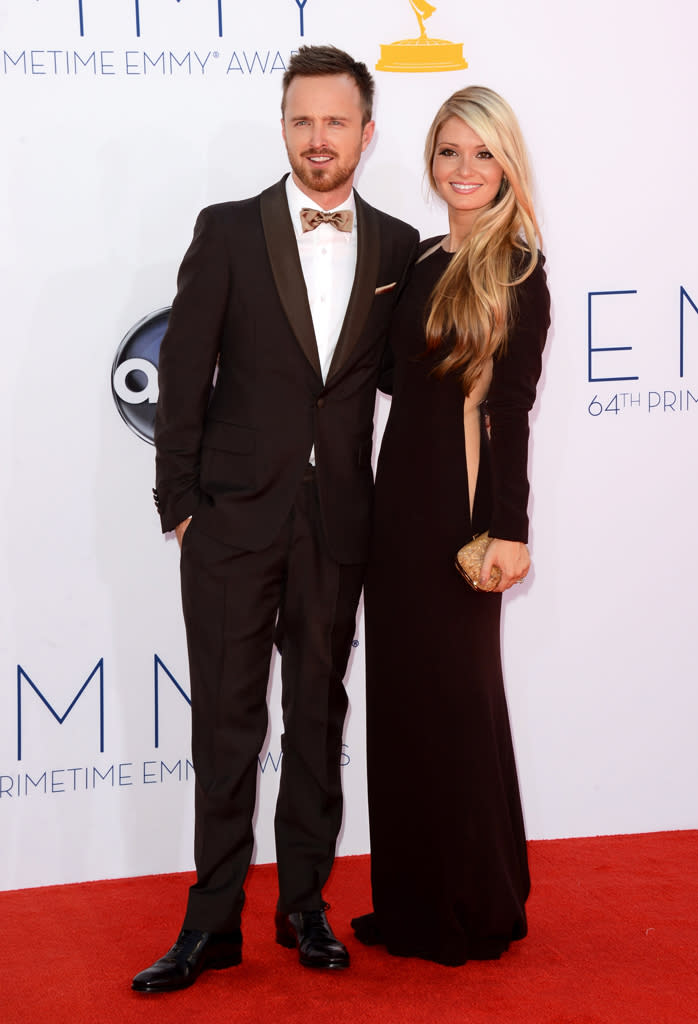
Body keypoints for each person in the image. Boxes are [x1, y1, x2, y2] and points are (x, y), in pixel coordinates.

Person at [132, 46, 418, 993]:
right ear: (284, 125)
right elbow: (183, 375)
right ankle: (210, 923)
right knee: (223, 723)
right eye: (302, 120)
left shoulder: (396, 245)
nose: (318, 138)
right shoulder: (226, 231)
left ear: (366, 135)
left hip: (337, 525)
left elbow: (403, 386)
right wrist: (181, 506)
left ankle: (304, 908)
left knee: (316, 716)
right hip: (227, 523)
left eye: (336, 122)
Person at [351, 86, 551, 966]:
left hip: (462, 512)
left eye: (482, 153)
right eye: (448, 153)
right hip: (397, 499)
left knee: (459, 705)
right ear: (430, 161)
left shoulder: (518, 267)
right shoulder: (425, 256)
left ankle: (471, 903)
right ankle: (408, 899)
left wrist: (509, 527)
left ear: (507, 163)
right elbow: (399, 381)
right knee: (401, 703)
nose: (464, 170)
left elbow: (512, 406)